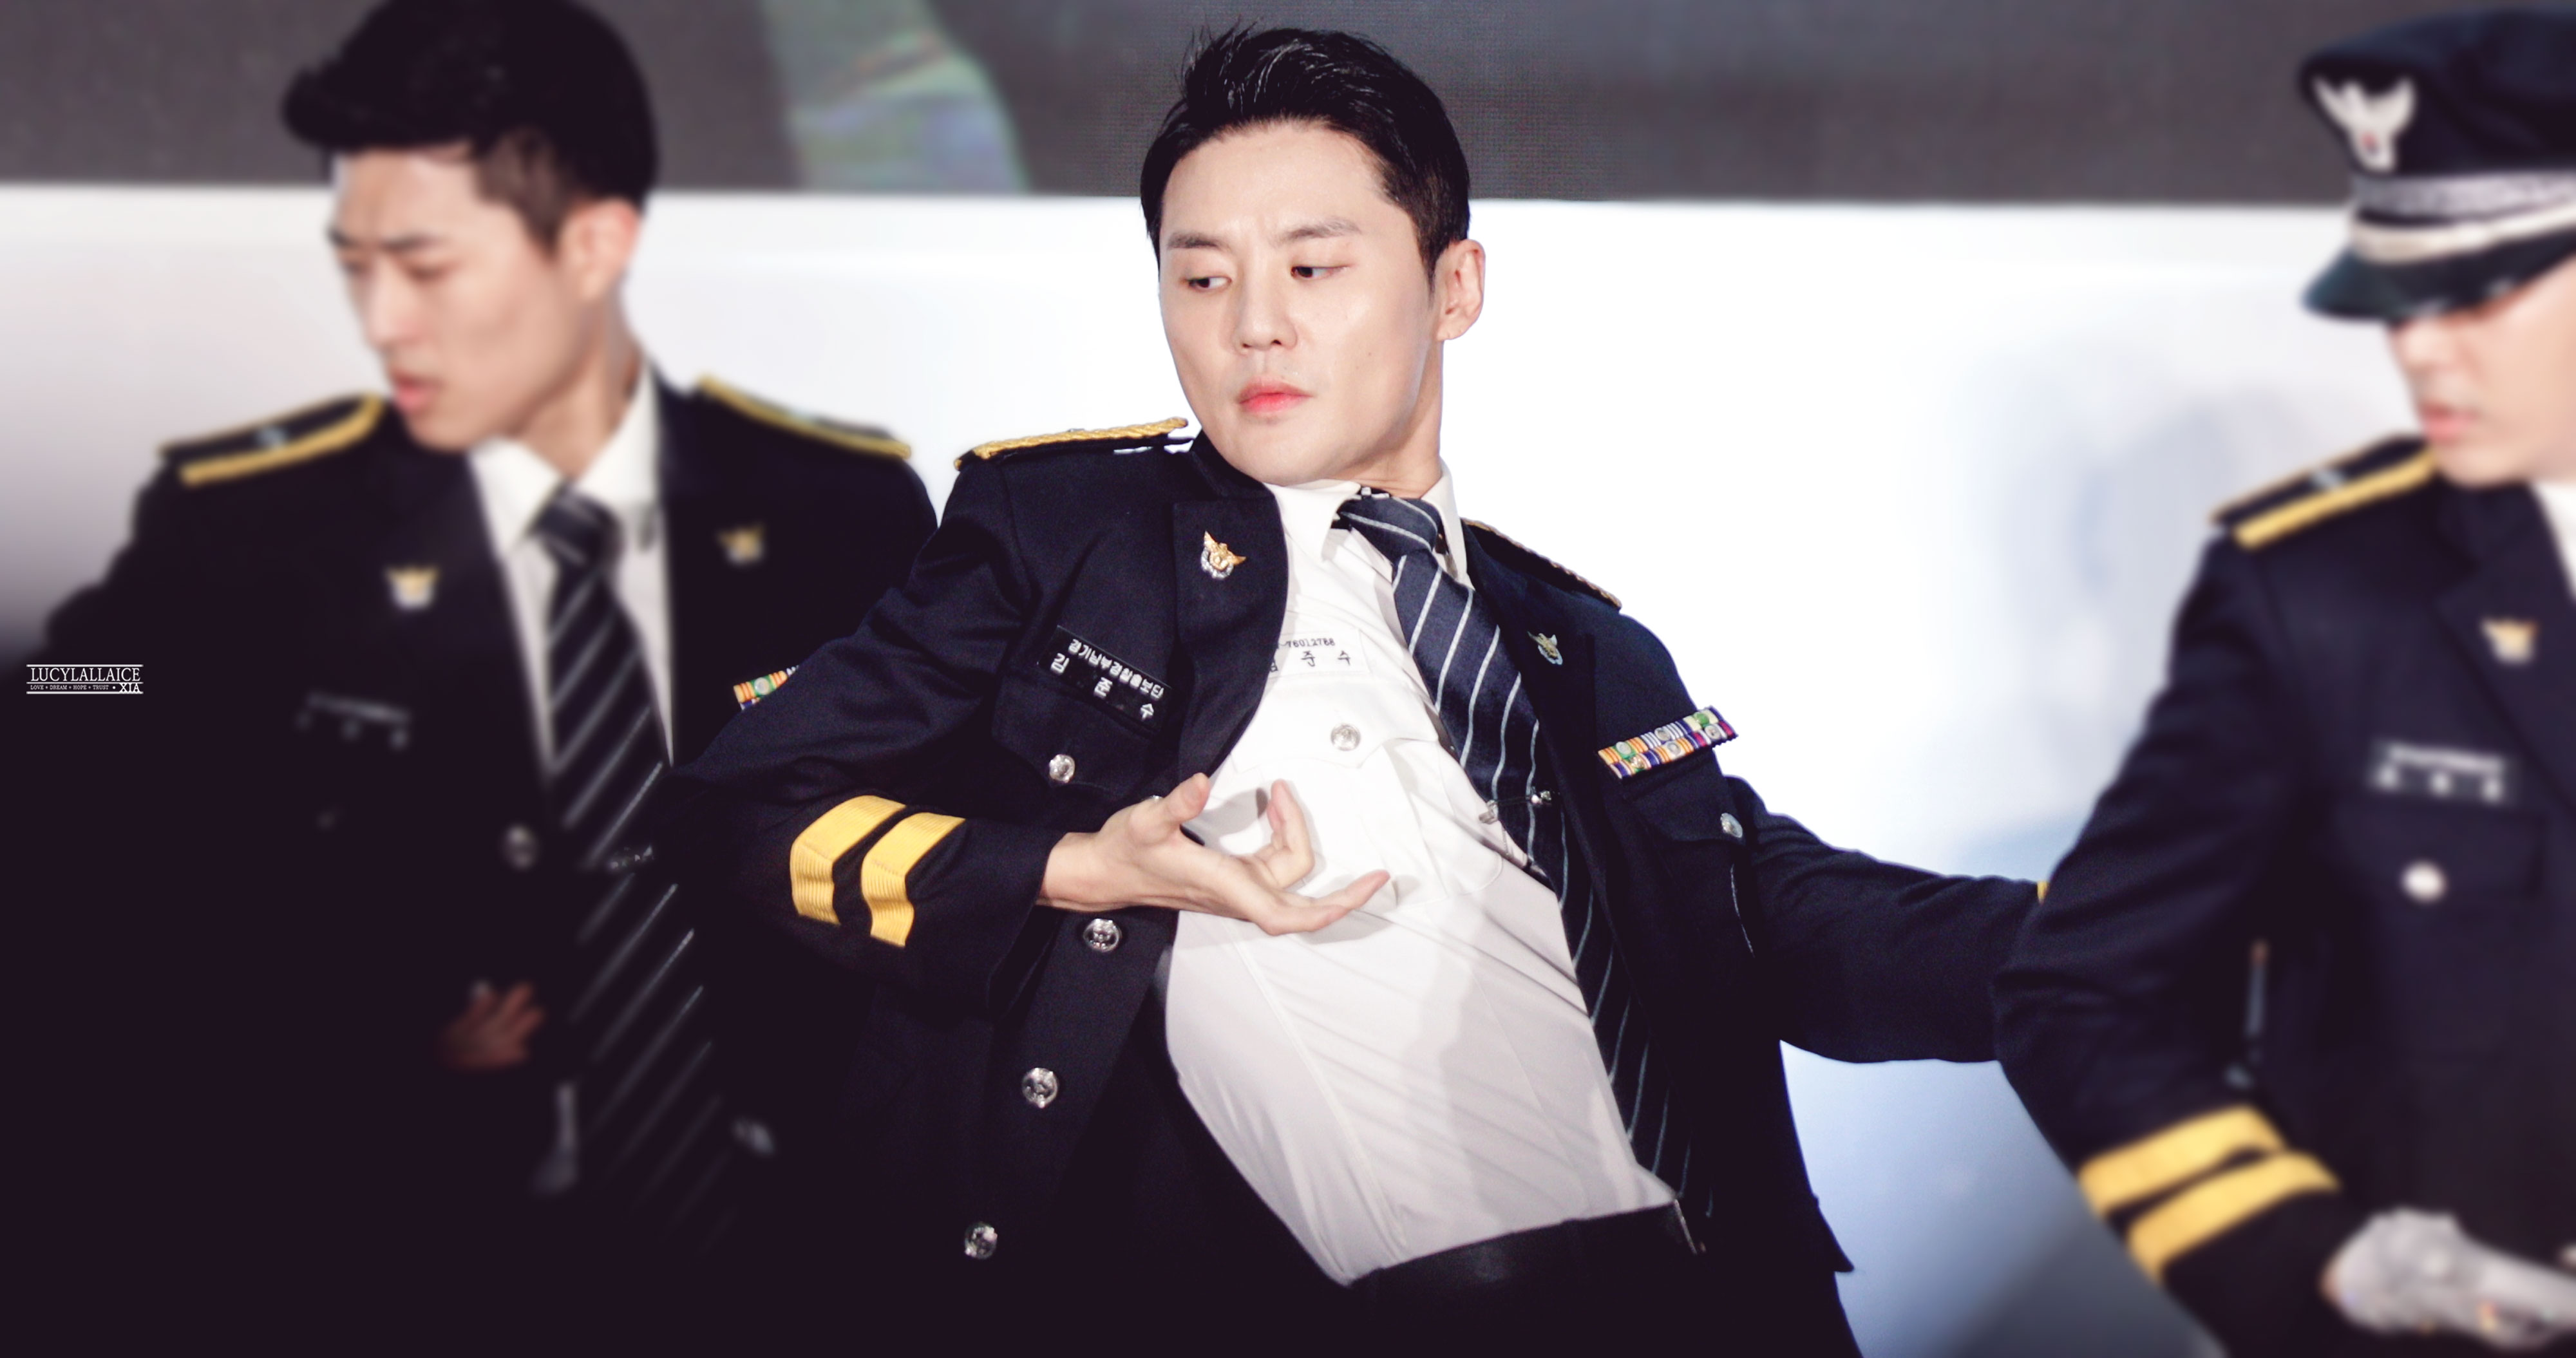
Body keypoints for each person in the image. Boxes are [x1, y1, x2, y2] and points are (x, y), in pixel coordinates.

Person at [664, 26, 2035, 1351]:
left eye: (1314, 268)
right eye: (1201, 279)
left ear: (1454, 287)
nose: (1254, 327)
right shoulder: (1071, 544)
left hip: (1737, 1303)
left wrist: (2088, 941)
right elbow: (734, 807)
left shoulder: (1582, 644)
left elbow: (1766, 915)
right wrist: (1077, 868)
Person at [21, 0, 932, 1340]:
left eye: (425, 265)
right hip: (412, 1252)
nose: (382, 320)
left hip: (807, 1251)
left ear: (593, 244)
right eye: (354, 266)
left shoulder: (837, 510)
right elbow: (59, 709)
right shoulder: (258, 531)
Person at [1996, 9, 2576, 1355]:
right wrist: (2325, 1265)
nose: (2417, 350)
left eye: (2474, 294)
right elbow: (2084, 992)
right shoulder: (2317, 596)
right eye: (2402, 299)